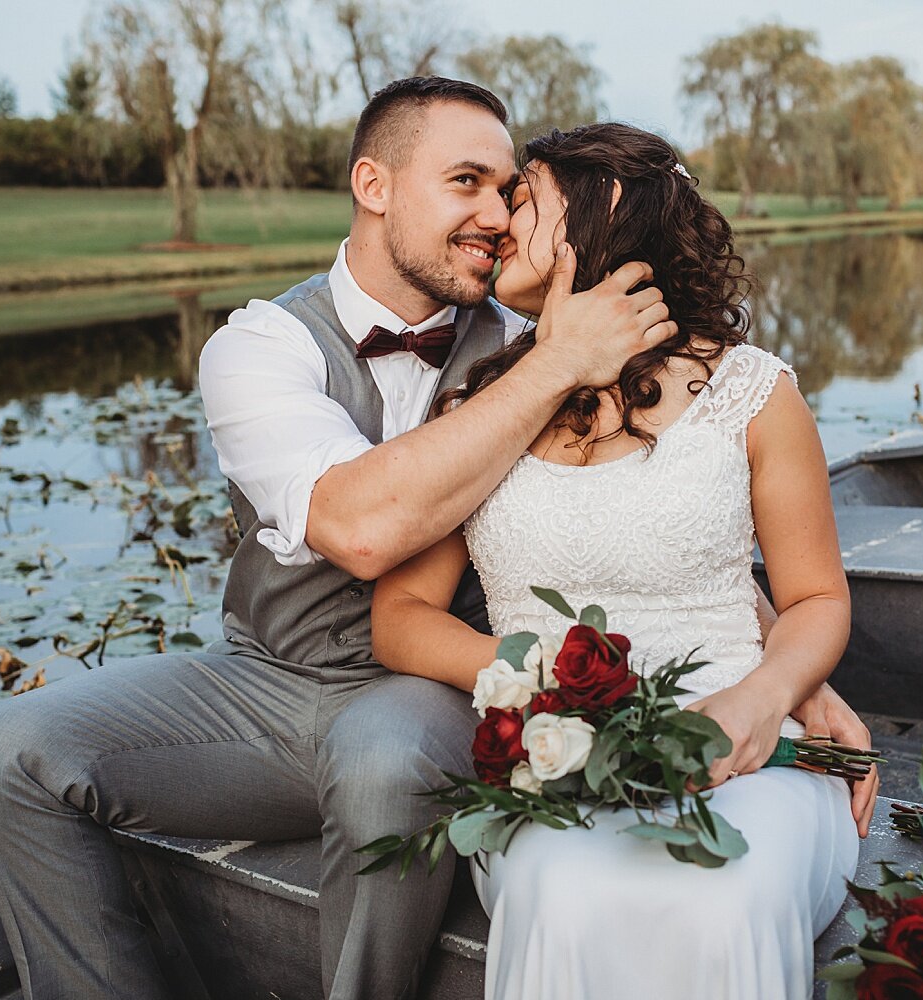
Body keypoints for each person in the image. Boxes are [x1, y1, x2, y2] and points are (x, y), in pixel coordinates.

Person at [0, 77, 872, 1000]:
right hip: (277, 678)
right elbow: (358, 530)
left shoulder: (538, 331)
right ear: (374, 184)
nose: (496, 216)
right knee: (3, 758)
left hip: (430, 695)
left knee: (386, 758)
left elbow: (659, 519)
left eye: (511, 192)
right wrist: (555, 365)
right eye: (467, 183)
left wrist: (780, 674)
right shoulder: (268, 345)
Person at [369, 121, 866, 1000]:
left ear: (602, 211)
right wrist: (544, 683)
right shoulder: (483, 408)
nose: (497, 217)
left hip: (748, 740)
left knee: (725, 890)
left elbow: (817, 596)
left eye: (522, 196)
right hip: (551, 754)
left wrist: (765, 697)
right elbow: (400, 621)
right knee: (565, 891)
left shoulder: (752, 391)